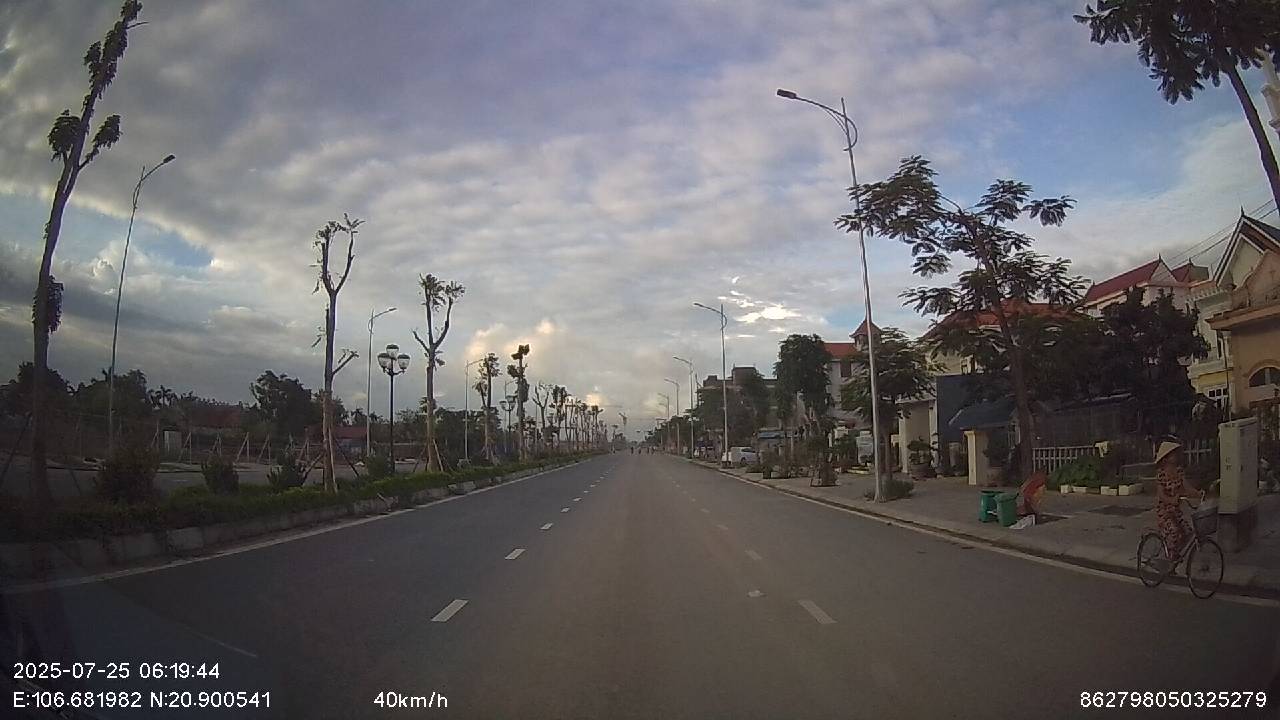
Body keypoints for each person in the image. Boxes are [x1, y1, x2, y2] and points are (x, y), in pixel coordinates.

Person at [1153, 440, 1194, 563]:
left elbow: (1186, 487)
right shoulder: (1161, 474)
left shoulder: (1179, 471)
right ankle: (1170, 559)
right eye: (1173, 454)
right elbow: (1161, 495)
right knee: (1174, 532)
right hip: (1164, 513)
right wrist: (1171, 500)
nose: (1176, 456)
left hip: (1176, 512)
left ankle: (1175, 554)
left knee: (1188, 532)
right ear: (1166, 458)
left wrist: (1198, 494)